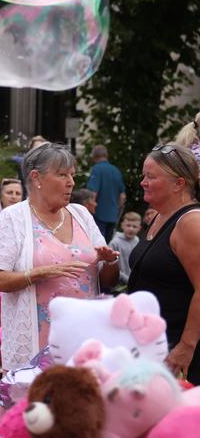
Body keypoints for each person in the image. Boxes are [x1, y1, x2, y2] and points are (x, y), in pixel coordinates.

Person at [0, 142, 119, 372]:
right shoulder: (14, 218)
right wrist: (38, 273)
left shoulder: (81, 214)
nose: (71, 182)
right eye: (61, 175)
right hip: (37, 347)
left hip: (84, 342)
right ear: (36, 178)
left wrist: (110, 262)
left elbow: (107, 280)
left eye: (72, 175)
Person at [127, 144, 200, 382]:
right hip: (153, 347)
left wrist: (186, 346)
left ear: (179, 184)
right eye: (143, 175)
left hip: (180, 355)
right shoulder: (160, 216)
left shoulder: (191, 224)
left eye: (151, 176)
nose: (143, 182)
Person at [87, 144, 127, 241]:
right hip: (113, 216)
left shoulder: (96, 169)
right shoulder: (116, 170)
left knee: (98, 245)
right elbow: (122, 196)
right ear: (107, 155)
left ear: (94, 157)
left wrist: (88, 212)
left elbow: (93, 193)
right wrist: (116, 211)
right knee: (108, 246)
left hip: (98, 215)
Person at [110, 211, 141, 287]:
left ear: (139, 228)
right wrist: (127, 279)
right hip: (117, 285)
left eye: (134, 226)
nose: (131, 229)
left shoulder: (138, 242)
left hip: (133, 283)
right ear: (122, 225)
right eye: (128, 225)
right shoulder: (115, 243)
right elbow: (111, 264)